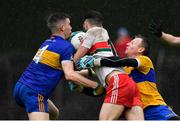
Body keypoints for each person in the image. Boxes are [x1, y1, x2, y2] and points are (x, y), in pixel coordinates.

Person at [13, 12, 103, 120]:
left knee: (54, 113)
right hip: (35, 92)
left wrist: (89, 72)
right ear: (63, 28)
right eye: (69, 24)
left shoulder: (48, 42)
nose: (71, 27)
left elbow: (63, 72)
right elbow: (70, 75)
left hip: (20, 87)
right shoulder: (65, 47)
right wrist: (94, 85)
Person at [77, 35, 180, 120]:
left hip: (155, 108)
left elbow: (121, 61)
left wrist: (96, 61)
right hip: (138, 112)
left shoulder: (144, 60)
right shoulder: (122, 71)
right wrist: (73, 73)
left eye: (132, 43)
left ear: (141, 49)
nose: (127, 43)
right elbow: (96, 78)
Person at [73, 10, 144, 120]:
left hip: (118, 82)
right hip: (129, 84)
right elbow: (97, 66)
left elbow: (77, 59)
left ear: (86, 24)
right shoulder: (103, 36)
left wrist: (67, 63)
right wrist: (77, 73)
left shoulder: (93, 31)